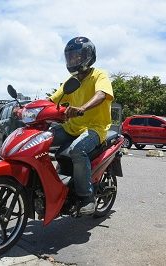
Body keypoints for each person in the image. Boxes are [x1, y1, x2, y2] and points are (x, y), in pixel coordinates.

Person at [48, 36, 114, 215]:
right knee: (42, 140)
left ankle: (87, 197)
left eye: (77, 56)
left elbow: (101, 94)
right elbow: (51, 100)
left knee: (77, 150)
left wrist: (83, 107)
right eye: (70, 57)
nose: (73, 60)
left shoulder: (99, 75)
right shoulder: (71, 81)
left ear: (87, 56)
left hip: (95, 128)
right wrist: (27, 109)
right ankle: (50, 185)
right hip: (72, 127)